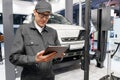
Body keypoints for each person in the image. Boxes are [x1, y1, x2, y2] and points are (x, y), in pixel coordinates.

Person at [9, 1, 64, 80]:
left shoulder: (53, 32)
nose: (44, 19)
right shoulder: (23, 30)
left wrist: (59, 56)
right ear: (35, 12)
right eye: (41, 15)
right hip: (30, 77)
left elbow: (56, 56)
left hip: (49, 77)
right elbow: (14, 57)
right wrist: (35, 59)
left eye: (47, 16)